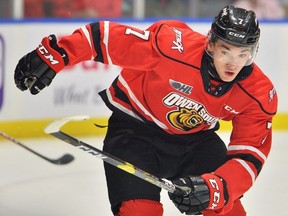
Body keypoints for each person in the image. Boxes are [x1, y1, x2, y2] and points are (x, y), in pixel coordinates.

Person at [14, 5, 278, 216]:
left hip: (195, 143)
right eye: (226, 51)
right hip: (134, 132)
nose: (233, 64)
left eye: (243, 54)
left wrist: (219, 188)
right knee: (138, 211)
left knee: (227, 210)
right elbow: (104, 39)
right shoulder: (173, 47)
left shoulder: (257, 93)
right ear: (211, 45)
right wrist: (57, 54)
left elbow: (249, 155)